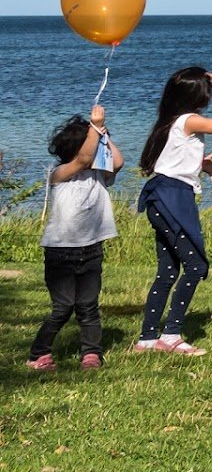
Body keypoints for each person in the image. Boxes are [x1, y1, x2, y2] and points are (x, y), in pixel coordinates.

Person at [134, 65, 212, 355]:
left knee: (168, 271)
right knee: (196, 267)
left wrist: (199, 164)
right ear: (199, 95)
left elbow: (169, 161)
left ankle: (147, 339)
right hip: (172, 199)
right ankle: (170, 335)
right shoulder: (190, 120)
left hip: (164, 196)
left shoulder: (171, 121)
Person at [30, 105, 117, 373]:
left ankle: (91, 353)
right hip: (60, 253)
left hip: (91, 250)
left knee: (88, 306)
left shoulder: (99, 174)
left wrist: (103, 135)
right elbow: (82, 159)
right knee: (63, 307)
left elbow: (119, 162)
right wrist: (95, 128)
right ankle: (39, 353)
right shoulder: (58, 174)